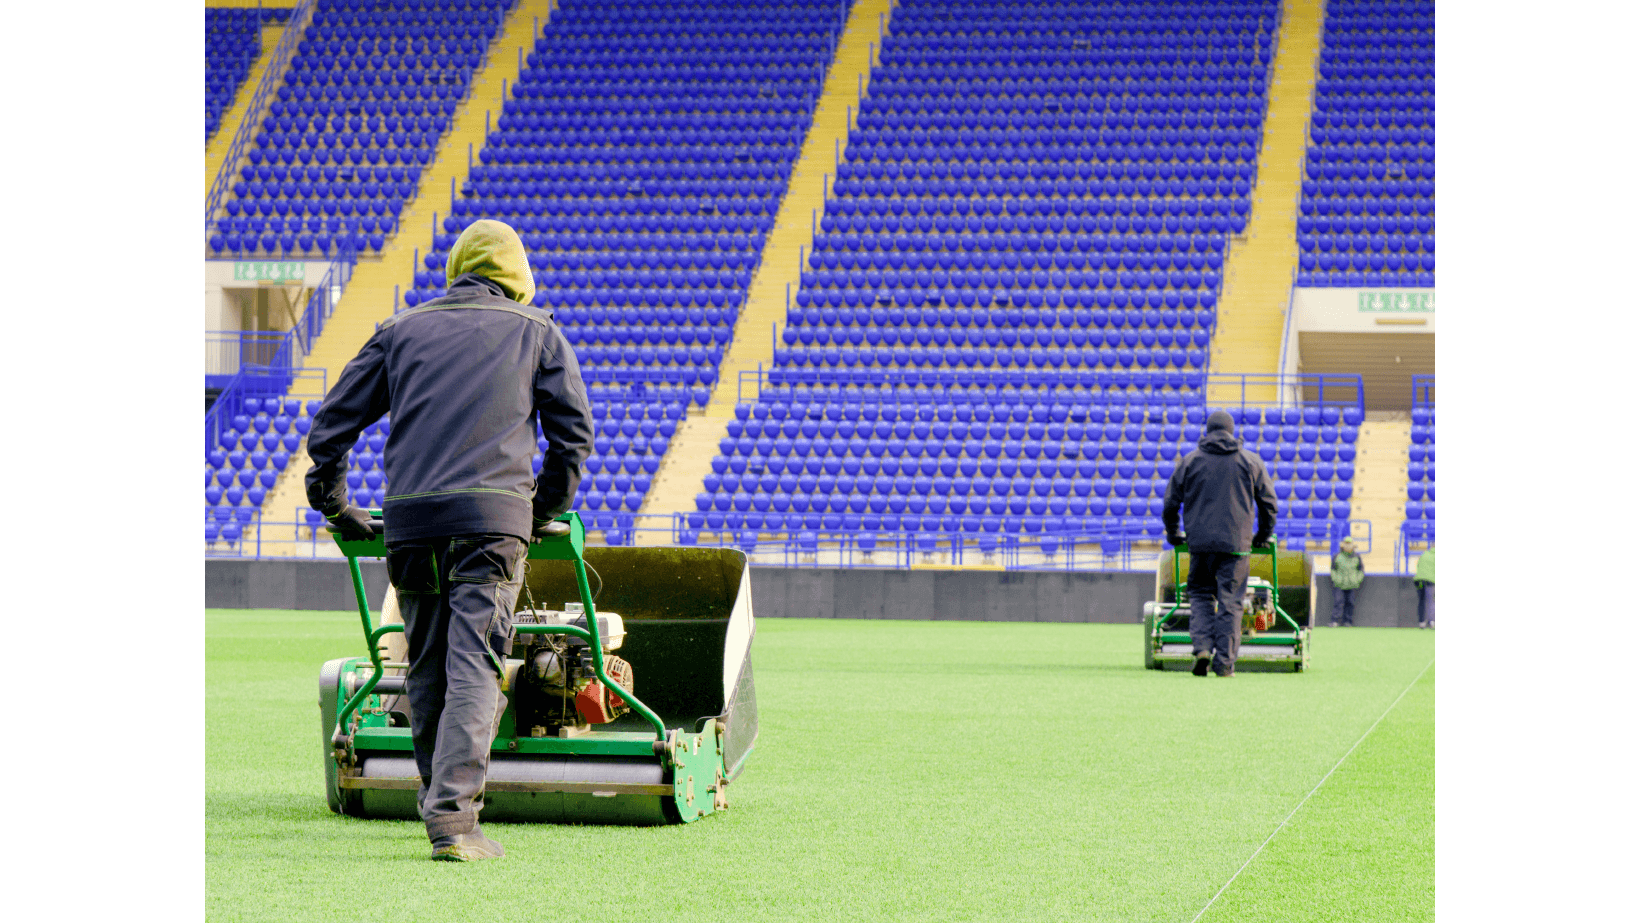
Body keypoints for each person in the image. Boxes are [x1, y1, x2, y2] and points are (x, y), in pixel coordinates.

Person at [305, 219, 593, 861]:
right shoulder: (539, 333)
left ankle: (439, 810)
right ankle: (455, 823)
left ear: (458, 267)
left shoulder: (400, 331)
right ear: (516, 275)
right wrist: (538, 510)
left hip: (410, 524)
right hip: (491, 526)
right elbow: (572, 441)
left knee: (427, 664)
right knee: (476, 664)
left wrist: (336, 506)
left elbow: (329, 430)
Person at [1162, 410, 1279, 678]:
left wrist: (1173, 533)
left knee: (1201, 596)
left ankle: (1202, 649)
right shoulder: (1250, 461)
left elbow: (1170, 503)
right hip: (1236, 546)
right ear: (1231, 430)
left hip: (1200, 545)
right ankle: (1225, 664)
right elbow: (1269, 504)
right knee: (1231, 601)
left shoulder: (1190, 461)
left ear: (1208, 430)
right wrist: (1262, 535)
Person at [1330, 536, 1365, 627]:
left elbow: (1361, 570)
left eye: (1349, 544)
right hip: (1340, 584)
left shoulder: (1357, 557)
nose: (1348, 546)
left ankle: (1348, 621)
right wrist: (1336, 579)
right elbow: (1333, 569)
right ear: (1343, 546)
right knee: (1338, 602)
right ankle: (1335, 621)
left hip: (1352, 584)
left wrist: (1357, 580)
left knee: (1350, 603)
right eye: (1346, 544)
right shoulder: (1337, 556)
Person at [1414, 544, 1435, 628]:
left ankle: (1421, 623)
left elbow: (1418, 565)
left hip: (1419, 580)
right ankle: (1432, 622)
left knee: (1421, 600)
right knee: (1430, 600)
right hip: (1429, 581)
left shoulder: (1424, 554)